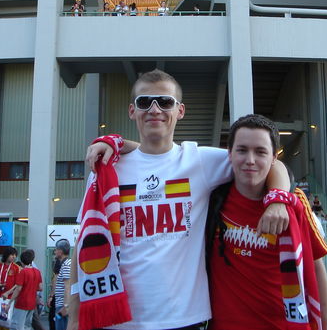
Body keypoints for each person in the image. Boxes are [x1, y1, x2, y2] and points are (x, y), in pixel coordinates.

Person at [74, 69, 290, 330]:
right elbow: (83, 245)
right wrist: (74, 318)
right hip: (118, 319)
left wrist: (279, 199)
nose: (155, 109)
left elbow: (270, 163)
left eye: (165, 102)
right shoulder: (108, 169)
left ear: (180, 111)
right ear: (133, 111)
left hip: (185, 318)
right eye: (145, 102)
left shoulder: (199, 160)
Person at [206, 114, 327, 330]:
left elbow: (316, 268)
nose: (250, 160)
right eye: (242, 150)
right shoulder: (211, 199)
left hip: (283, 324)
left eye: (260, 152)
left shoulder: (295, 204)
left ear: (274, 157)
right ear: (229, 154)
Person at [7, 250, 42, 330]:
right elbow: (40, 287)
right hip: (32, 302)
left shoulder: (23, 272)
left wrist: (10, 302)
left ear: (22, 260)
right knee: (27, 326)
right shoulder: (37, 272)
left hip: (22, 302)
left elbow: (18, 288)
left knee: (16, 325)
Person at [52, 240, 70, 330]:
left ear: (61, 251)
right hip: (62, 304)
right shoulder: (67, 264)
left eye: (56, 249)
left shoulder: (66, 265)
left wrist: (66, 306)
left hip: (62, 305)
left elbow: (67, 287)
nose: (55, 252)